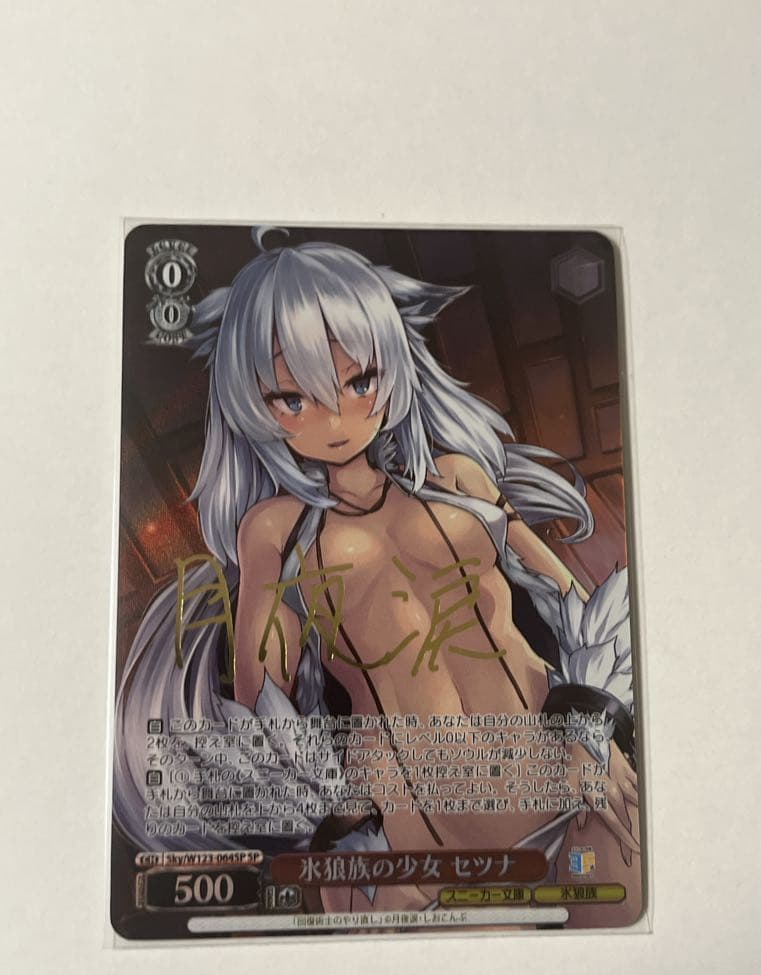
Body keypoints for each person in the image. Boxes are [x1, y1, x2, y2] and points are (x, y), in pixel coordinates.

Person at [114, 228, 640, 925]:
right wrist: (339, 830)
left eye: (360, 381)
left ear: (393, 369)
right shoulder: (276, 531)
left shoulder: (458, 480)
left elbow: (579, 611)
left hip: (569, 785)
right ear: (253, 404)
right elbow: (265, 706)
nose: (336, 418)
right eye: (293, 398)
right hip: (413, 841)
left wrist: (594, 728)